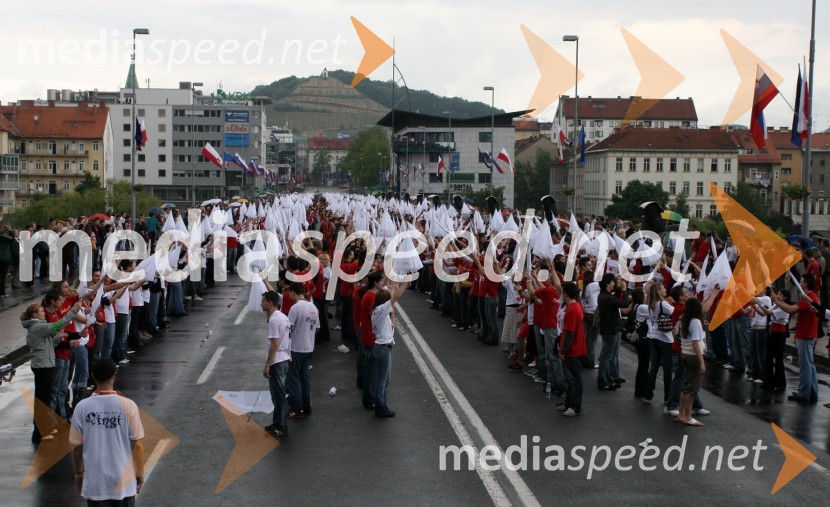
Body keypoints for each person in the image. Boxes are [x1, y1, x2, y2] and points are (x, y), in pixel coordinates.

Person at [70, 359, 145, 505]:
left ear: (93, 376)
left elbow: (77, 447)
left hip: (96, 485)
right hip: (124, 483)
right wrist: (140, 473)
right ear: (114, 375)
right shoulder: (128, 406)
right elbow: (137, 445)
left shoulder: (82, 407)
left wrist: (79, 474)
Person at [22, 300, 82, 442]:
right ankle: (38, 433)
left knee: (45, 398)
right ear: (34, 315)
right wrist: (73, 311)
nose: (44, 313)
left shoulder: (38, 327)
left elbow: (49, 344)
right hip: (42, 367)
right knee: (42, 400)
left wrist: (58, 339)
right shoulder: (37, 327)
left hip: (45, 365)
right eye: (41, 311)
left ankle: (44, 428)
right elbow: (57, 325)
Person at [772, 274, 820, 404]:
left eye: (801, 281)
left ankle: (804, 393)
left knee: (805, 366)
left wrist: (777, 302)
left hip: (806, 335)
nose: (800, 282)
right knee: (809, 365)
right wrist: (779, 301)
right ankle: (812, 392)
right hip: (806, 334)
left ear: (806, 283)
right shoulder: (811, 297)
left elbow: (791, 309)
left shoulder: (809, 297)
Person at [370, 280, 409, 418]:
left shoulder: (381, 311)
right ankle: (380, 408)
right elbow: (395, 297)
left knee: (385, 380)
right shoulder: (380, 310)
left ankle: (382, 405)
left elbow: (393, 324)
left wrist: (393, 289)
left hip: (384, 347)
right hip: (382, 348)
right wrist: (406, 283)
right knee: (382, 381)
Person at [286, 283, 320, 418]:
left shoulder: (295, 308)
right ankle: (307, 406)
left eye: (290, 293)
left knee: (293, 379)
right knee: (304, 378)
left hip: (295, 348)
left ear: (294, 293)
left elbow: (288, 328)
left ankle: (297, 408)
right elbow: (317, 328)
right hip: (308, 347)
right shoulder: (313, 307)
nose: (290, 296)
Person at [261, 290, 292, 436]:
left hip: (277, 361)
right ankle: (277, 423)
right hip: (284, 357)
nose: (261, 303)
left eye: (263, 301)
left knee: (279, 396)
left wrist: (267, 364)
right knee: (277, 394)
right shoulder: (281, 316)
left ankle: (282, 426)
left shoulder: (274, 320)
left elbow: (274, 344)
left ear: (270, 302)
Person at [596, 273, 630, 390]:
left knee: (609, 355)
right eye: (612, 282)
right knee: (607, 356)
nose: (614, 284)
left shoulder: (605, 296)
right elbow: (624, 303)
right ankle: (603, 380)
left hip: (611, 328)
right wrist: (625, 290)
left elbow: (616, 299)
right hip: (610, 330)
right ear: (607, 284)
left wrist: (620, 289)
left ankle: (609, 378)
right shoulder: (606, 298)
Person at [677, 298, 707, 426]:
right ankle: (688, 416)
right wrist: (702, 362)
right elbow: (695, 342)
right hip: (693, 355)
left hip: (685, 353)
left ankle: (681, 414)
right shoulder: (695, 322)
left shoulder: (684, 319)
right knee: (692, 388)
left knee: (686, 386)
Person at [645, 282, 675, 405]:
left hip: (653, 335)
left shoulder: (651, 304)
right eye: (663, 288)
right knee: (667, 369)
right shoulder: (663, 304)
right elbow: (674, 312)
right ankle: (667, 396)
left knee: (654, 367)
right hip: (665, 337)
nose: (665, 289)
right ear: (658, 291)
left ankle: (648, 394)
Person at [559, 282, 586, 417]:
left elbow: (569, 332)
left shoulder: (571, 309)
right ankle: (569, 403)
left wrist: (563, 350)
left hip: (572, 350)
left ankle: (574, 406)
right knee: (571, 379)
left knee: (573, 380)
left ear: (565, 293)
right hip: (577, 347)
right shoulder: (577, 307)